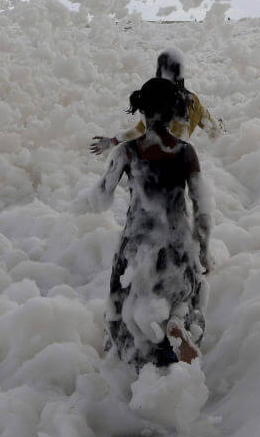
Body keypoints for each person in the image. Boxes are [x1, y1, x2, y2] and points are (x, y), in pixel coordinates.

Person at [81, 77, 212, 371]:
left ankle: (134, 368)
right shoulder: (186, 151)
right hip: (177, 241)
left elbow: (101, 197)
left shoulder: (126, 152)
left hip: (138, 242)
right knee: (184, 298)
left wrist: (84, 200)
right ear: (174, 112)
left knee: (125, 305)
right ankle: (177, 330)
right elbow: (202, 207)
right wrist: (202, 248)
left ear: (141, 110)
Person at [89, 48, 221, 155]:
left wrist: (113, 141)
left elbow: (139, 130)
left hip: (150, 163)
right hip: (179, 163)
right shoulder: (193, 101)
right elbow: (212, 129)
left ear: (159, 70)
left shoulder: (154, 98)